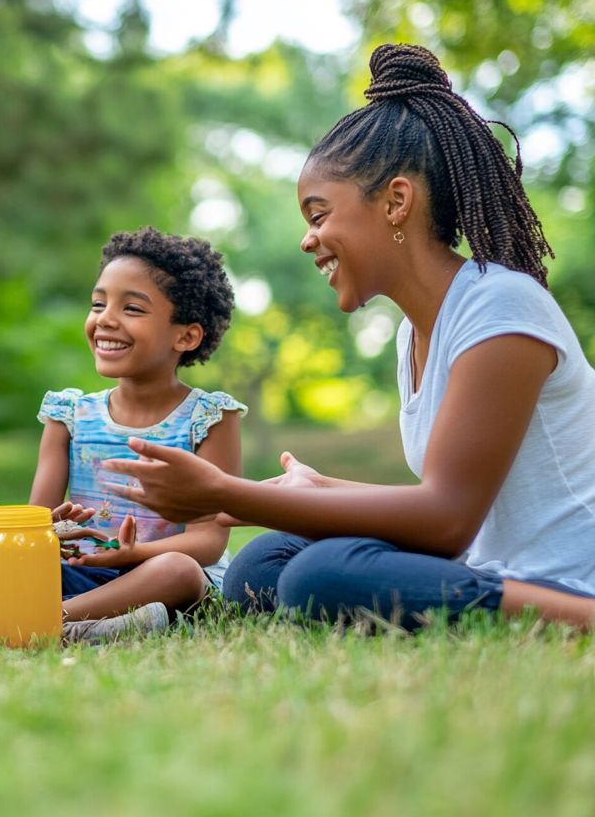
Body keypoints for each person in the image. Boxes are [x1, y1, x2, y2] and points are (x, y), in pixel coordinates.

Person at [102, 44, 595, 631]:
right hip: (488, 564)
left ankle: (578, 617)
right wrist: (315, 488)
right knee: (263, 563)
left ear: (396, 202)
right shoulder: (414, 336)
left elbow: (446, 519)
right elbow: (446, 497)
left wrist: (227, 493)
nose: (308, 241)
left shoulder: (500, 305)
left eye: (318, 215)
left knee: (324, 576)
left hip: (566, 576)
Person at [0, 227, 246, 643]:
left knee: (178, 570)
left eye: (132, 309)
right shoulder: (70, 415)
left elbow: (207, 541)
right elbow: (37, 520)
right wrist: (49, 531)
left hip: (154, 577)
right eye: (98, 303)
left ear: (186, 335)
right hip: (77, 575)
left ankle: (32, 624)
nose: (105, 319)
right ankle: (95, 629)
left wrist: (135, 554)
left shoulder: (208, 417)